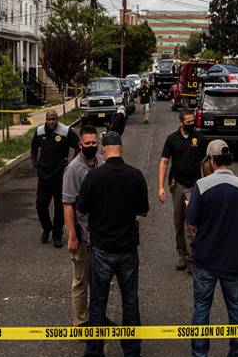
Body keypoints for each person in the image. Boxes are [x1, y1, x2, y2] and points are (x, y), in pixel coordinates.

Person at [77, 131, 149, 357]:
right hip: (127, 249)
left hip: (101, 249)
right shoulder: (135, 175)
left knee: (98, 302)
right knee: (130, 300)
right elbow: (143, 211)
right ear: (122, 148)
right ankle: (131, 349)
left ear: (103, 150)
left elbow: (80, 209)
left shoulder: (94, 177)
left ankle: (94, 351)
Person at [185, 139, 238, 357]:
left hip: (206, 259)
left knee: (202, 309)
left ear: (211, 160)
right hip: (235, 260)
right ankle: (237, 351)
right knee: (236, 309)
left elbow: (192, 224)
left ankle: (200, 352)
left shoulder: (201, 186)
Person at [62, 125, 105, 326]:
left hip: (101, 234)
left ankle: (98, 317)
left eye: (94, 143)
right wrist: (72, 236)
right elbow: (68, 205)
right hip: (82, 234)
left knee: (99, 280)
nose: (90, 146)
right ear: (80, 145)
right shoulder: (73, 170)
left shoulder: (103, 163)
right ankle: (80, 323)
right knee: (80, 282)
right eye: (87, 143)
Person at [158, 110, 204, 271]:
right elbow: (164, 162)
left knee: (191, 223)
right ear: (181, 122)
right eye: (188, 122)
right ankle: (181, 254)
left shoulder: (199, 138)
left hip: (195, 186)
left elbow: (206, 161)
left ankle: (193, 258)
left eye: (193, 121)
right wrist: (161, 187)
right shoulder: (172, 139)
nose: (191, 124)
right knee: (179, 221)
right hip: (178, 185)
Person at [31, 110, 79, 248]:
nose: (51, 122)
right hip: (44, 176)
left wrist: (71, 163)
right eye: (49, 119)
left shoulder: (65, 131)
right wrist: (34, 162)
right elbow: (34, 147)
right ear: (46, 120)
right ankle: (47, 228)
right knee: (41, 205)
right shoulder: (40, 131)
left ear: (57, 119)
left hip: (60, 176)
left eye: (53, 119)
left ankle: (57, 234)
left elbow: (77, 146)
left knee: (59, 207)